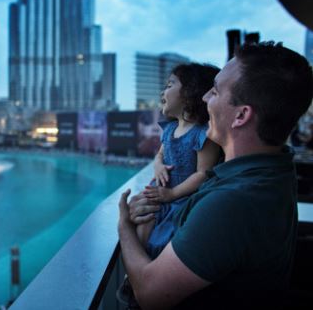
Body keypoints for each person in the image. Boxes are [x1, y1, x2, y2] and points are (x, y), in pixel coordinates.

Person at [118, 42, 313, 309]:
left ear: (241, 115)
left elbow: (150, 295)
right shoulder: (275, 167)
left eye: (215, 90)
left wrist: (125, 227)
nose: (205, 98)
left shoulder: (232, 203)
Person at [136, 63, 221, 259]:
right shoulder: (169, 129)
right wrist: (158, 166)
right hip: (160, 192)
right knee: (144, 221)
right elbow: (160, 155)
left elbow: (203, 173)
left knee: (168, 239)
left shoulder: (202, 133)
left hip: (183, 198)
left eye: (169, 85)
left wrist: (172, 193)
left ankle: (153, 272)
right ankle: (137, 269)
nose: (162, 91)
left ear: (189, 92)